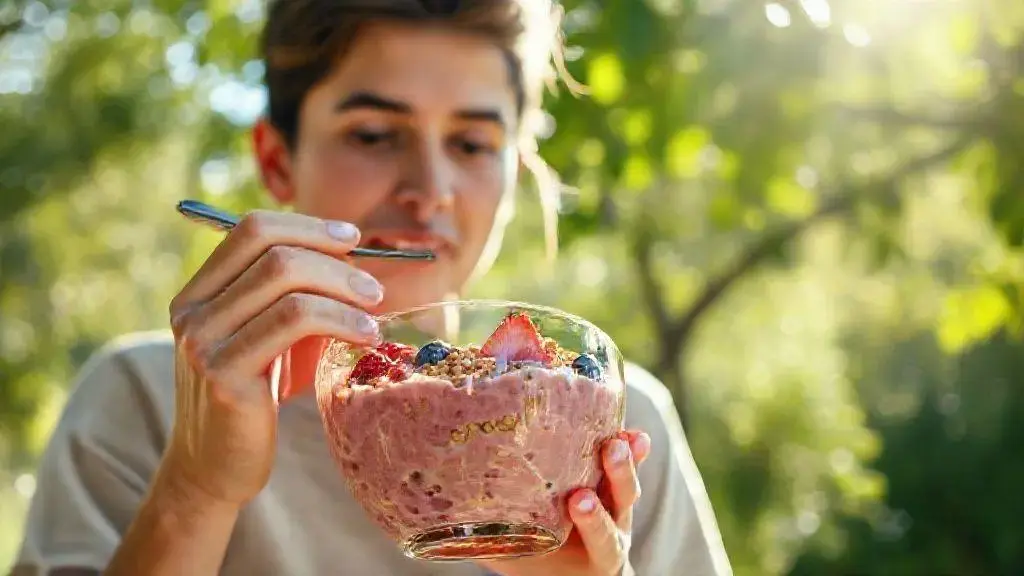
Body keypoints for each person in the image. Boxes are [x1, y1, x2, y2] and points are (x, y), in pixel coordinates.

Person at [11, 1, 733, 575]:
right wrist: (195, 493)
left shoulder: (613, 420)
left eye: (473, 144)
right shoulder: (144, 400)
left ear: (516, 171)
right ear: (276, 158)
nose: (431, 191)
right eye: (374, 134)